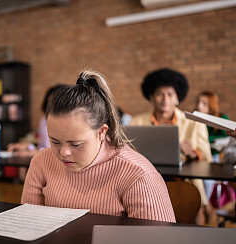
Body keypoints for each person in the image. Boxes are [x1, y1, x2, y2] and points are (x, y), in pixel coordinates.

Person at [21, 69, 176, 223]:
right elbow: (28, 226)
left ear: (102, 132)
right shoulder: (41, 162)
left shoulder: (138, 176)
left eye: (75, 144)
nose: (64, 152)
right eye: (54, 141)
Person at [129, 68, 212, 225]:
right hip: (147, 181)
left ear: (177, 97)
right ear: (152, 97)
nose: (165, 98)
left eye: (170, 94)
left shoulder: (193, 123)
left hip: (184, 182)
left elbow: (207, 157)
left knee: (191, 211)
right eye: (160, 93)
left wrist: (193, 153)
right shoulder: (136, 122)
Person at [7, 84, 65, 157]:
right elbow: (43, 147)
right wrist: (28, 147)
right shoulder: (43, 121)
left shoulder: (66, 124)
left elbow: (55, 152)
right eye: (49, 102)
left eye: (55, 102)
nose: (51, 106)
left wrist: (32, 152)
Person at [195, 90, 230, 161]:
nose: (199, 106)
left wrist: (206, 140)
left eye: (204, 103)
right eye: (198, 102)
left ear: (212, 104)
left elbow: (226, 137)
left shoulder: (222, 118)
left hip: (214, 154)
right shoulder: (195, 118)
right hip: (196, 153)